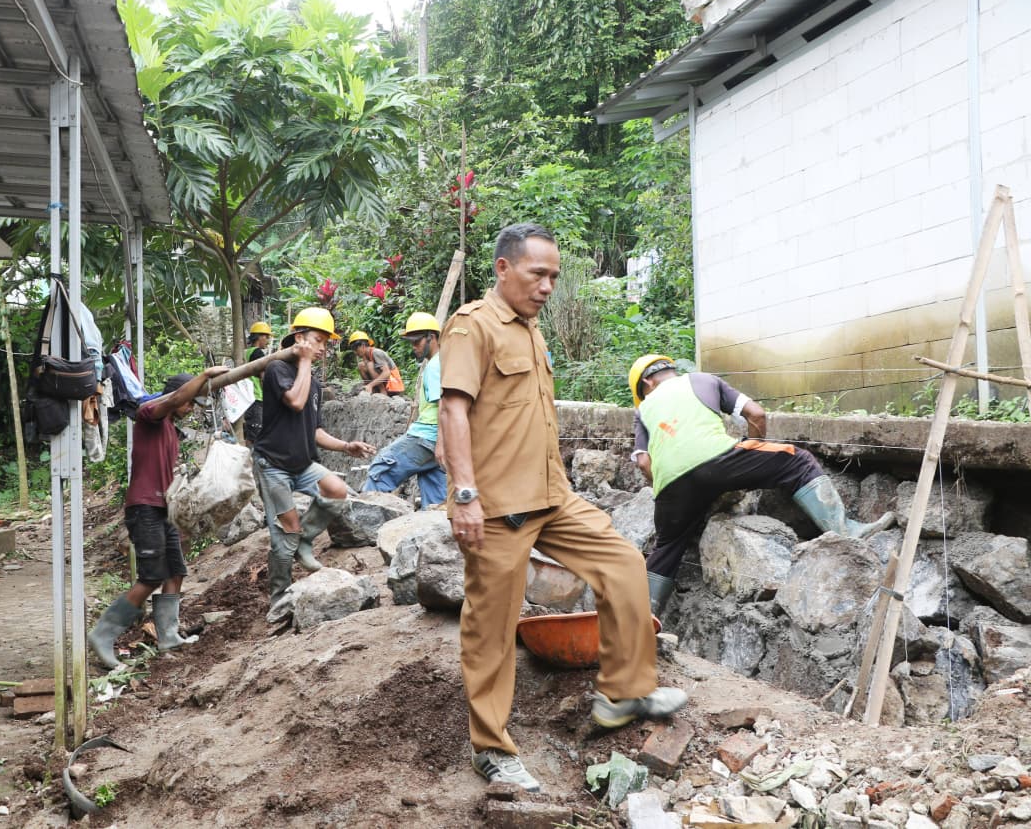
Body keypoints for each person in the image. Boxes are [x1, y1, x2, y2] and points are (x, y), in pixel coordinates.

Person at [439, 224, 686, 794]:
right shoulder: (473, 327)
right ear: (503, 269)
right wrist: (465, 496)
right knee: (492, 630)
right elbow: (454, 412)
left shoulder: (532, 330)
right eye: (537, 274)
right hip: (498, 508)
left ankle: (625, 692)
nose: (549, 286)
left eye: (554, 276)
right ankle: (492, 750)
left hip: (553, 497)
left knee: (623, 563)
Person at [629, 355, 896, 615]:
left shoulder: (643, 409)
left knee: (668, 545)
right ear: (668, 371)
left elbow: (643, 462)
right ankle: (845, 530)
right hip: (720, 460)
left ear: (647, 385)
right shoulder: (703, 380)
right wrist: (750, 452)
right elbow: (756, 414)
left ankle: (643, 618)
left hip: (671, 486)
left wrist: (667, 485)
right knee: (798, 460)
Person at [88, 366, 230, 668]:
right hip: (145, 508)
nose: (190, 409)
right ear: (178, 397)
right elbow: (176, 397)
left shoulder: (170, 429)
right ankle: (103, 633)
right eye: (190, 402)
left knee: (176, 570)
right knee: (152, 575)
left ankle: (168, 635)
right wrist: (204, 376)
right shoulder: (149, 414)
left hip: (165, 509)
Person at [255, 308, 375, 610]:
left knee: (336, 491)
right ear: (299, 338)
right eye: (318, 340)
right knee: (285, 533)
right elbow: (295, 402)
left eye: (325, 343)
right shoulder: (277, 370)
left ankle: (304, 541)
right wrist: (305, 361)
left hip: (302, 462)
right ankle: (279, 597)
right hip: (274, 464)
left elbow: (315, 430)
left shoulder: (314, 382)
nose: (322, 348)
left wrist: (346, 446)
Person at [362, 312, 447, 508]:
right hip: (435, 440)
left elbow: (443, 404)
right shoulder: (442, 361)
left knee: (380, 469)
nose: (414, 347)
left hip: (427, 436)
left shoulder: (435, 366)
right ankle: (434, 528)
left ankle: (365, 527)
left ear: (431, 337)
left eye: (417, 342)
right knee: (435, 491)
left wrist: (440, 443)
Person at [243, 321, 273, 444]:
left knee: (250, 432)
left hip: (247, 397)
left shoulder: (246, 352)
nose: (267, 340)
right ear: (259, 336)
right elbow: (263, 377)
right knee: (257, 433)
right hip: (256, 397)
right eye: (266, 337)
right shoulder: (257, 353)